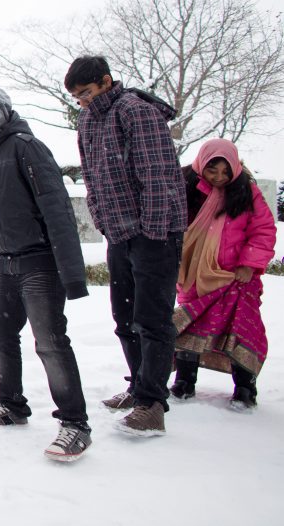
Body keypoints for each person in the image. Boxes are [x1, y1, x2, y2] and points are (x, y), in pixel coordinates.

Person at [0, 87, 92, 462]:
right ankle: (11, 405)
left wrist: (72, 276)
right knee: (1, 337)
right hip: (5, 266)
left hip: (40, 263)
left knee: (50, 343)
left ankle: (75, 424)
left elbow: (58, 213)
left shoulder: (28, 149)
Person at [64, 56, 186, 436]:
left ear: (105, 81)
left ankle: (152, 404)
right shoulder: (87, 121)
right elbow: (93, 179)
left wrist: (151, 231)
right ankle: (138, 384)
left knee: (153, 319)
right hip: (119, 233)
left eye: (86, 92)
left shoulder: (136, 111)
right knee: (125, 318)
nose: (82, 102)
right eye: (76, 97)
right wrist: (104, 222)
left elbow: (157, 174)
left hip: (156, 232)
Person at [170, 139, 277, 411]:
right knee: (190, 326)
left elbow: (263, 230)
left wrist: (248, 264)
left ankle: (244, 387)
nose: (219, 178)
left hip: (236, 278)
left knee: (242, 329)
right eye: (212, 170)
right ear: (200, 165)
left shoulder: (246, 192)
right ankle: (184, 381)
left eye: (226, 172)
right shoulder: (185, 187)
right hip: (196, 275)